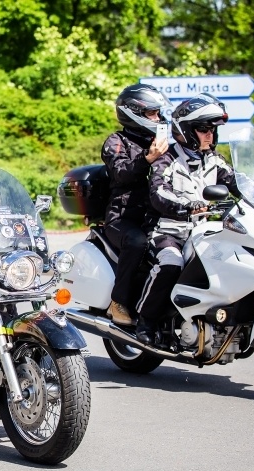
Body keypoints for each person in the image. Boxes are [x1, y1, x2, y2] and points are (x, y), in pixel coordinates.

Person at [135, 95, 239, 344]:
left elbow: (240, 184)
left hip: (206, 233)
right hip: (169, 232)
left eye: (212, 130)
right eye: (203, 129)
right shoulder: (167, 159)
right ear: (186, 130)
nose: (209, 135)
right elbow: (158, 193)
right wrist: (186, 206)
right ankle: (145, 321)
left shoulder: (215, 159)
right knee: (171, 264)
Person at [102, 83, 171, 327]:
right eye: (153, 113)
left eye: (159, 113)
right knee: (137, 242)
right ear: (133, 113)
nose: (158, 118)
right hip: (122, 218)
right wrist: (148, 158)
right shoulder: (116, 141)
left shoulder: (161, 142)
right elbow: (121, 173)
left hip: (156, 216)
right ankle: (118, 302)